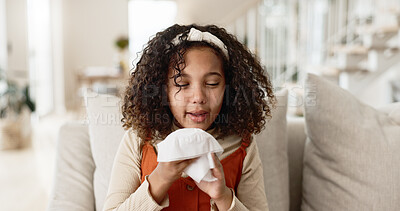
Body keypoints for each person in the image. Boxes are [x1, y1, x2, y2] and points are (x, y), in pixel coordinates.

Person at [103, 24, 275, 211]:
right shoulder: (138, 139)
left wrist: (223, 197)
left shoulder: (242, 144)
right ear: (163, 89)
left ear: (228, 88)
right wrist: (160, 179)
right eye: (182, 84)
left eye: (212, 83)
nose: (198, 97)